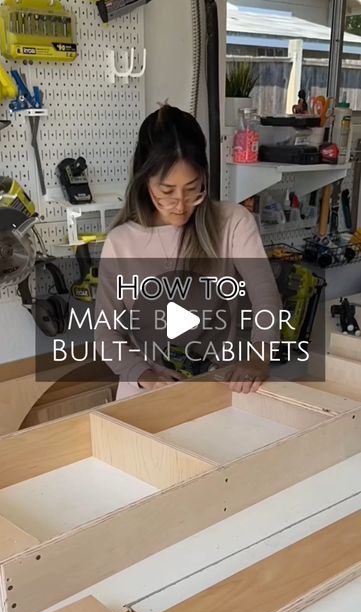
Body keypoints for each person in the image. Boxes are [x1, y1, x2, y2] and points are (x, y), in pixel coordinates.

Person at [95, 105, 281, 399]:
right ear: (144, 181)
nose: (180, 205)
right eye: (166, 192)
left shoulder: (233, 222)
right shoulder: (120, 242)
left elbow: (265, 297)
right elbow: (106, 334)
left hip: (219, 387)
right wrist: (144, 375)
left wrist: (259, 356)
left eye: (193, 189)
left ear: (205, 177)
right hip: (146, 395)